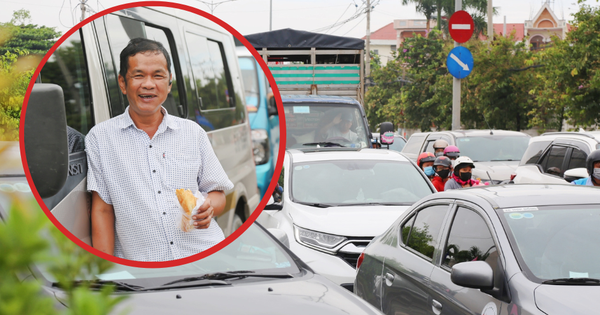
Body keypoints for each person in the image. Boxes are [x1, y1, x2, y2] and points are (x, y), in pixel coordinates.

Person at [85, 38, 234, 261]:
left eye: (158, 75)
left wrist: (209, 207)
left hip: (205, 257)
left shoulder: (193, 133)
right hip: (144, 266)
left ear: (169, 83)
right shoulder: (100, 138)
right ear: (123, 83)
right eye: (138, 75)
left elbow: (217, 193)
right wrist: (106, 273)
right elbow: (103, 210)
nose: (148, 84)